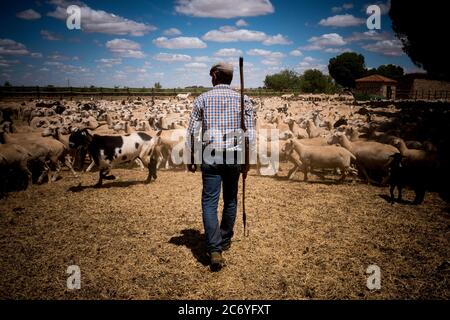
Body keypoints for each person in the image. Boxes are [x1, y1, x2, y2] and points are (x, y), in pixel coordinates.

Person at [186, 62, 255, 270]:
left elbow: (192, 132)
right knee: (231, 199)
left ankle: (215, 248)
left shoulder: (202, 99)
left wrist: (191, 157)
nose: (210, 78)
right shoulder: (244, 100)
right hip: (235, 156)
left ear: (216, 76)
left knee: (209, 202)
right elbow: (249, 135)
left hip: (210, 155)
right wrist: (247, 162)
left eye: (211, 74)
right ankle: (224, 240)